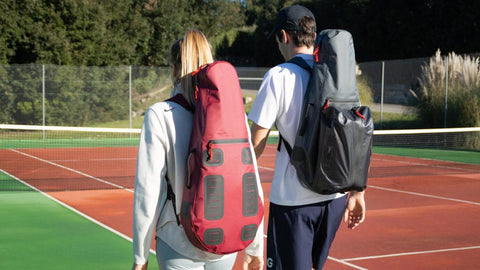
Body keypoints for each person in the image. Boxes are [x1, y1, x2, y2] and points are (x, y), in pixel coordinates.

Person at [132, 29, 264, 270]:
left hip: (177, 241)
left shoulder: (159, 115)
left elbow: (146, 193)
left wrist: (140, 257)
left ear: (174, 68)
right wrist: (255, 247)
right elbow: (249, 179)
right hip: (224, 241)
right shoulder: (235, 115)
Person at [248, 5, 366, 270]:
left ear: (283, 35)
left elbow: (255, 144)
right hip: (335, 198)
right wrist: (357, 192)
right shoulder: (337, 74)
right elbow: (355, 133)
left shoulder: (278, 76)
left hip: (293, 203)